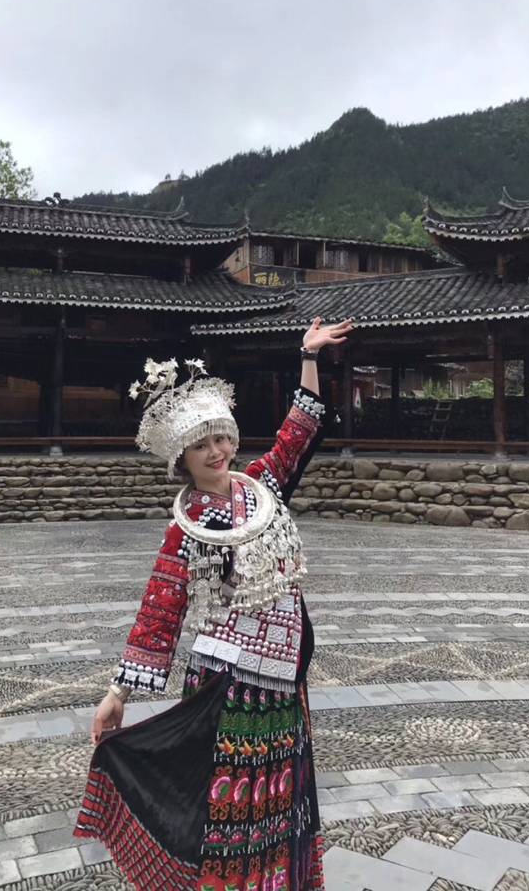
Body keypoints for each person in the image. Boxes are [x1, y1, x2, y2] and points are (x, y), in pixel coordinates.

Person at [74, 316, 353, 890]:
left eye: (220, 438)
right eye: (200, 445)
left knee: (281, 793)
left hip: (285, 675)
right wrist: (118, 693)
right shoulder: (186, 528)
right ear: (182, 458)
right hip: (227, 683)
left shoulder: (262, 486)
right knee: (230, 801)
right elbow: (159, 611)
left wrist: (308, 357)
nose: (216, 451)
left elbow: (299, 430)